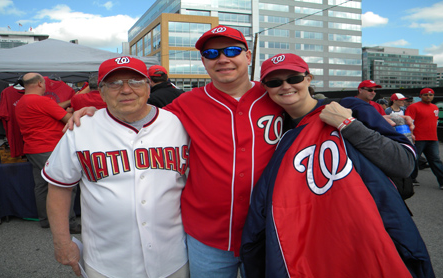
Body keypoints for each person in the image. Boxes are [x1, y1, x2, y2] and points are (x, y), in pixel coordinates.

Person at [67, 25, 284, 277]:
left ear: (248, 56)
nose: (222, 59)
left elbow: (310, 109)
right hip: (207, 235)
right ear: (203, 61)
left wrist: (342, 118)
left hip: (266, 230)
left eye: (232, 51)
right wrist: (97, 113)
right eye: (211, 54)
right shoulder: (185, 103)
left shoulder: (276, 95)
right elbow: (141, 116)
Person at [241, 54, 434, 278]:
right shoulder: (276, 132)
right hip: (309, 241)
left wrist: (347, 124)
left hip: (368, 233)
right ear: (265, 88)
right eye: (275, 82)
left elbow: (404, 164)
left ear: (308, 79)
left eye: (293, 78)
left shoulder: (349, 108)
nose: (285, 86)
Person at [43, 56, 190, 278]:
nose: (126, 90)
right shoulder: (81, 128)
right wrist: (61, 242)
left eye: (135, 81)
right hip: (106, 263)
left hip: (173, 258)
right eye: (114, 83)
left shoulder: (178, 123)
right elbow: (59, 188)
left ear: (149, 87)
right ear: (100, 92)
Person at [15, 73, 80, 233]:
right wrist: (76, 111)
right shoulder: (42, 101)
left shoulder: (23, 101)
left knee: (42, 186)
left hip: (33, 149)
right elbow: (68, 119)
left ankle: (45, 220)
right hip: (49, 148)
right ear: (39, 83)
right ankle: (68, 223)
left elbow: (52, 109)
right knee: (65, 185)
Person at [405, 88, 443, 189]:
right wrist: (411, 136)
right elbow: (408, 122)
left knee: (435, 160)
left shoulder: (435, 107)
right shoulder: (413, 107)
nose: (428, 97)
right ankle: (410, 179)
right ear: (420, 96)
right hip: (418, 138)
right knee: (414, 159)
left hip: (432, 139)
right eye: (425, 95)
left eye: (431, 95)